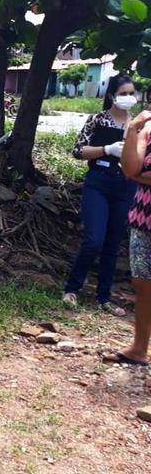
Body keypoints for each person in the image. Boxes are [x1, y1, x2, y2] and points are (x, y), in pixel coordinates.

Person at [62, 74, 137, 316]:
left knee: (113, 243)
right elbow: (77, 150)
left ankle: (104, 296)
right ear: (112, 95)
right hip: (98, 182)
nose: (128, 98)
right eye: (123, 94)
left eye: (131, 93)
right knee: (94, 239)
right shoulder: (98, 120)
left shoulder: (138, 124)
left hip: (126, 185)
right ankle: (72, 288)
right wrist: (106, 149)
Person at [103, 108, 151, 366]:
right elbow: (130, 169)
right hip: (144, 219)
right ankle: (139, 347)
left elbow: (137, 173)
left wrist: (141, 175)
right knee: (142, 285)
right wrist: (132, 129)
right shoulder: (147, 130)